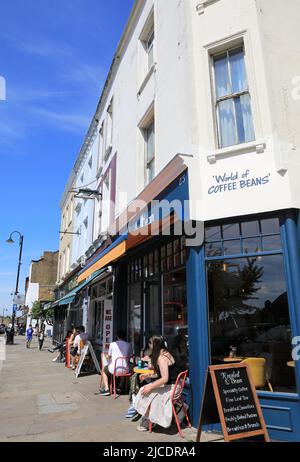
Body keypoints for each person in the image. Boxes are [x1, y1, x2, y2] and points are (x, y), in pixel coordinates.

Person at [134, 335, 181, 432]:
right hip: (173, 385)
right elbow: (160, 374)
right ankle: (148, 418)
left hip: (172, 388)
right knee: (145, 390)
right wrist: (148, 376)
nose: (149, 346)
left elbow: (164, 379)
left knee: (145, 392)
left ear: (154, 345)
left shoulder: (162, 358)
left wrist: (150, 386)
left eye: (150, 343)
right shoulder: (165, 353)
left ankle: (149, 420)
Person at [99, 329, 133, 396]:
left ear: (117, 336)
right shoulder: (129, 345)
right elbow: (131, 356)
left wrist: (106, 355)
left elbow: (109, 356)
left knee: (104, 370)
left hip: (114, 369)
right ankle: (120, 386)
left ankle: (106, 389)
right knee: (124, 366)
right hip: (125, 369)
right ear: (125, 336)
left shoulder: (112, 344)